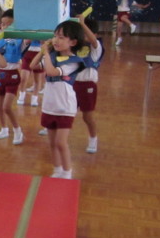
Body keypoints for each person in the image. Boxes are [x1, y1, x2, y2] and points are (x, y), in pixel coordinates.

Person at [30, 20, 86, 178]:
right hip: (49, 105)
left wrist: (47, 54)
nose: (56, 40)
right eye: (55, 36)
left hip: (65, 107)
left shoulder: (74, 61)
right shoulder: (52, 56)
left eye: (61, 37)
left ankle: (67, 172)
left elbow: (52, 72)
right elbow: (33, 66)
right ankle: (57, 170)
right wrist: (42, 51)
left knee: (61, 142)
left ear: (73, 42)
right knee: (52, 143)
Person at [0, 9, 25, 145]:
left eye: (9, 24)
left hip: (13, 75)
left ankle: (17, 130)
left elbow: (28, 39)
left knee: (6, 107)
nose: (6, 27)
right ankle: (4, 129)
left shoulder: (20, 39)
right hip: (0, 74)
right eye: (3, 24)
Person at [74, 15, 104, 153]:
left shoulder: (96, 47)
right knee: (67, 112)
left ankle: (93, 139)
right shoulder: (76, 45)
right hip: (73, 83)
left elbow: (93, 40)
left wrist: (82, 23)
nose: (84, 36)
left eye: (86, 33)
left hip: (87, 85)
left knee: (87, 116)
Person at [17, 40, 44, 107]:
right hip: (28, 53)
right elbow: (26, 41)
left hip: (39, 53)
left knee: (37, 79)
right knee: (23, 78)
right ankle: (21, 96)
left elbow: (45, 41)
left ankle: (35, 98)